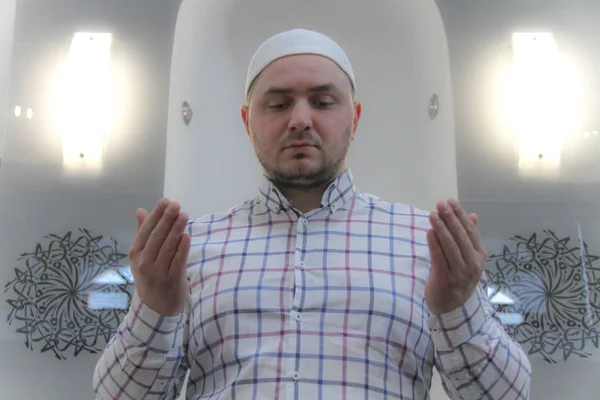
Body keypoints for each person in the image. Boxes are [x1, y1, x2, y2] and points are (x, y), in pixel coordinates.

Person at [93, 28, 531, 399]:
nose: (300, 119)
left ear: (354, 119)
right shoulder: (191, 248)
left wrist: (457, 311)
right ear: (248, 122)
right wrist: (155, 310)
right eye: (279, 104)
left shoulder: (428, 242)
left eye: (322, 102)